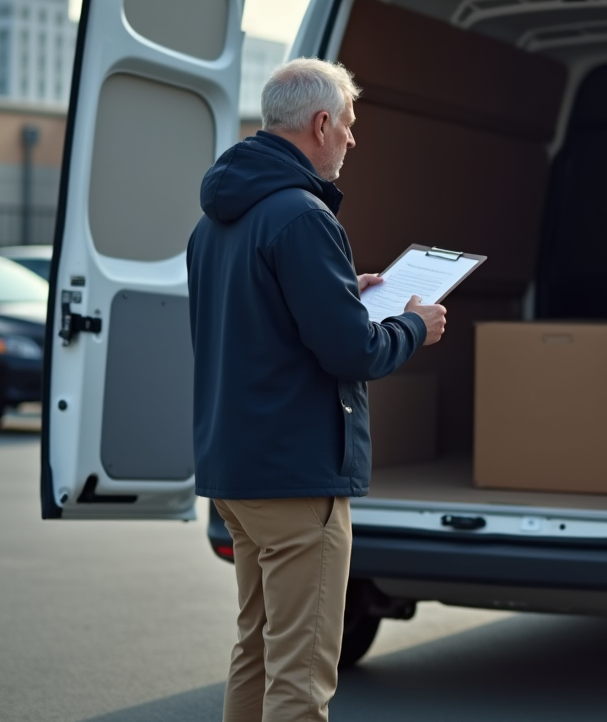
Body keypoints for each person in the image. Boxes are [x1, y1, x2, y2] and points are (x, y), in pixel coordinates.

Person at [186, 57, 446, 722]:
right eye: (350, 126)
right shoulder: (302, 217)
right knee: (301, 676)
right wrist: (415, 325)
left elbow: (263, 321)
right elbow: (351, 351)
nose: (353, 141)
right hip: (297, 477)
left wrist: (341, 294)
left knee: (258, 650)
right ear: (322, 123)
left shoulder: (218, 217)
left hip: (238, 471)